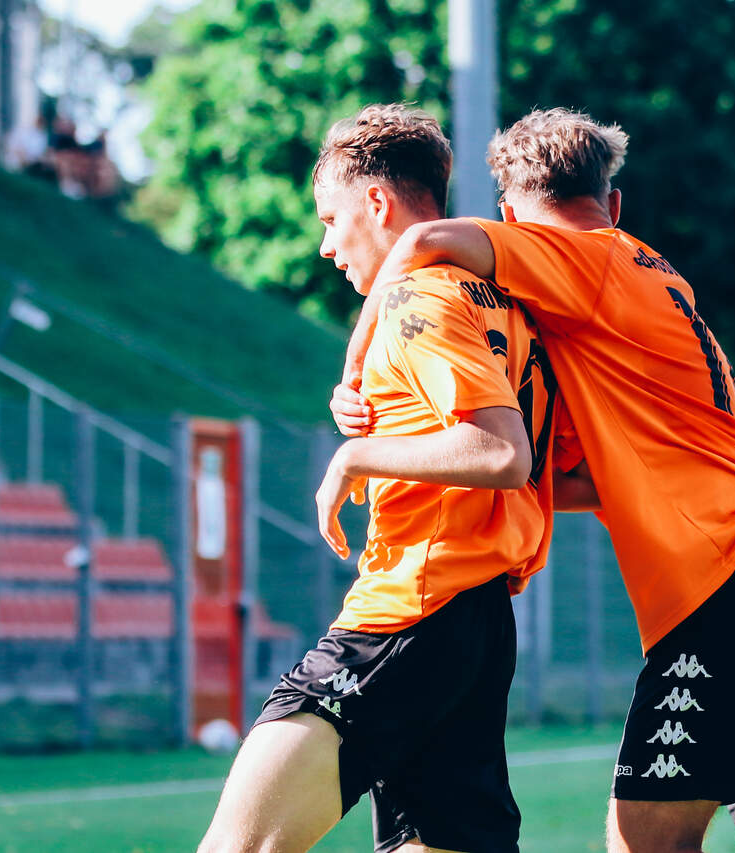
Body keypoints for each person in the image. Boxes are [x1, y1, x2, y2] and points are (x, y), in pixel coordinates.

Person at [332, 108, 735, 853]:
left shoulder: (583, 258)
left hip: (724, 586)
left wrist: (354, 373)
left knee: (642, 841)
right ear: (614, 201)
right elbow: (599, 478)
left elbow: (422, 242)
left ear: (511, 218)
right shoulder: (654, 279)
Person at [198, 104, 583, 853]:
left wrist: (355, 457)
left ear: (376, 202)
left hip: (413, 605)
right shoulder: (506, 304)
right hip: (476, 622)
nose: (325, 245)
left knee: (239, 845)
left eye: (330, 219)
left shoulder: (418, 299)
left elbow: (501, 453)